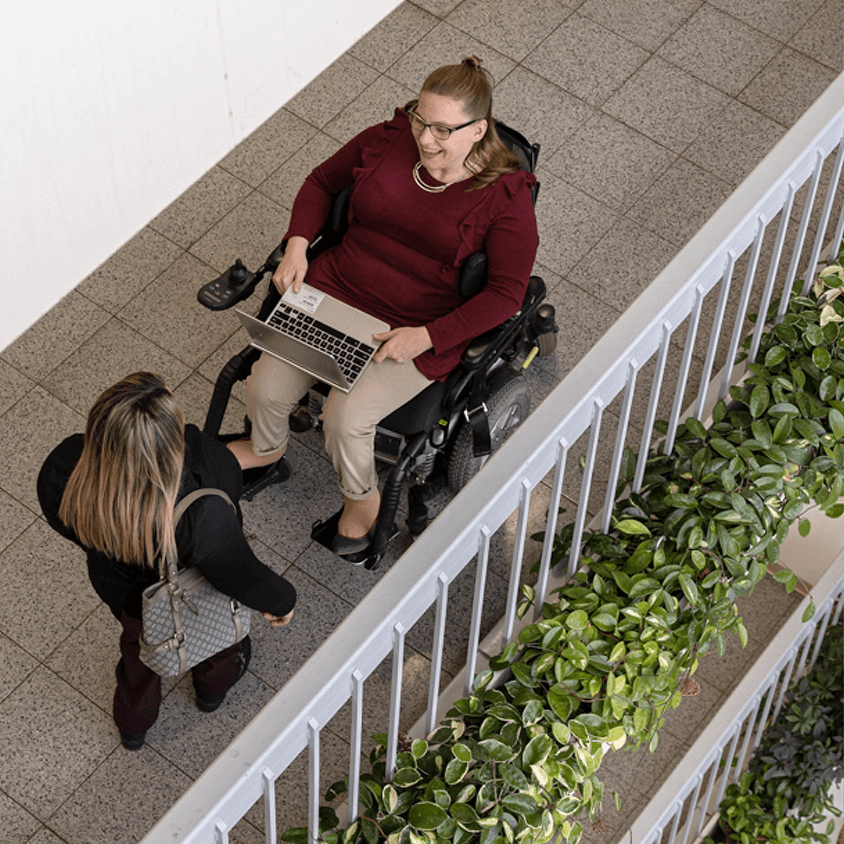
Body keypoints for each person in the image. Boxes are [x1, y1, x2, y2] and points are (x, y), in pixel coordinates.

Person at [228, 56, 539, 555]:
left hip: (414, 326)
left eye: (442, 129)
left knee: (344, 420)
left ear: (478, 130)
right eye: (420, 119)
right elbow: (321, 183)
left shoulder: (506, 198)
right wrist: (297, 245)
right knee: (264, 389)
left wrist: (429, 336)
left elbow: (506, 295)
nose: (425, 137)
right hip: (336, 288)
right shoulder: (388, 138)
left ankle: (364, 501)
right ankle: (268, 448)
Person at [37, 372, 297, 751]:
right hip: (197, 595)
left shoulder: (66, 465)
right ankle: (211, 692)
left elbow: (65, 524)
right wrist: (281, 601)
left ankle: (133, 728)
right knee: (218, 644)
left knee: (138, 655)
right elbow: (238, 572)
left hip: (126, 596)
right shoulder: (204, 480)